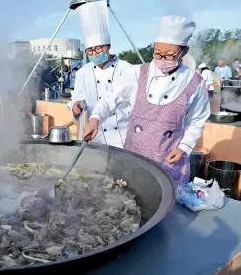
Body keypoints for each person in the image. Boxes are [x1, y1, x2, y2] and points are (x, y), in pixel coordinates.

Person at [83, 15, 211, 185]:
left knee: (167, 202)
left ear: (184, 52)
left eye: (169, 55)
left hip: (169, 160)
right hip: (135, 156)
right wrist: (95, 119)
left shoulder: (194, 82)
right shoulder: (137, 73)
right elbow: (109, 99)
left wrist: (183, 148)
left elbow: (196, 121)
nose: (161, 60)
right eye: (157, 54)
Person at [67, 0, 136, 147]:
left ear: (108, 46)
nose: (94, 53)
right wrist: (75, 105)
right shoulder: (83, 72)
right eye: (90, 50)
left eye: (98, 49)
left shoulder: (127, 69)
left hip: (122, 138)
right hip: (94, 135)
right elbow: (77, 98)